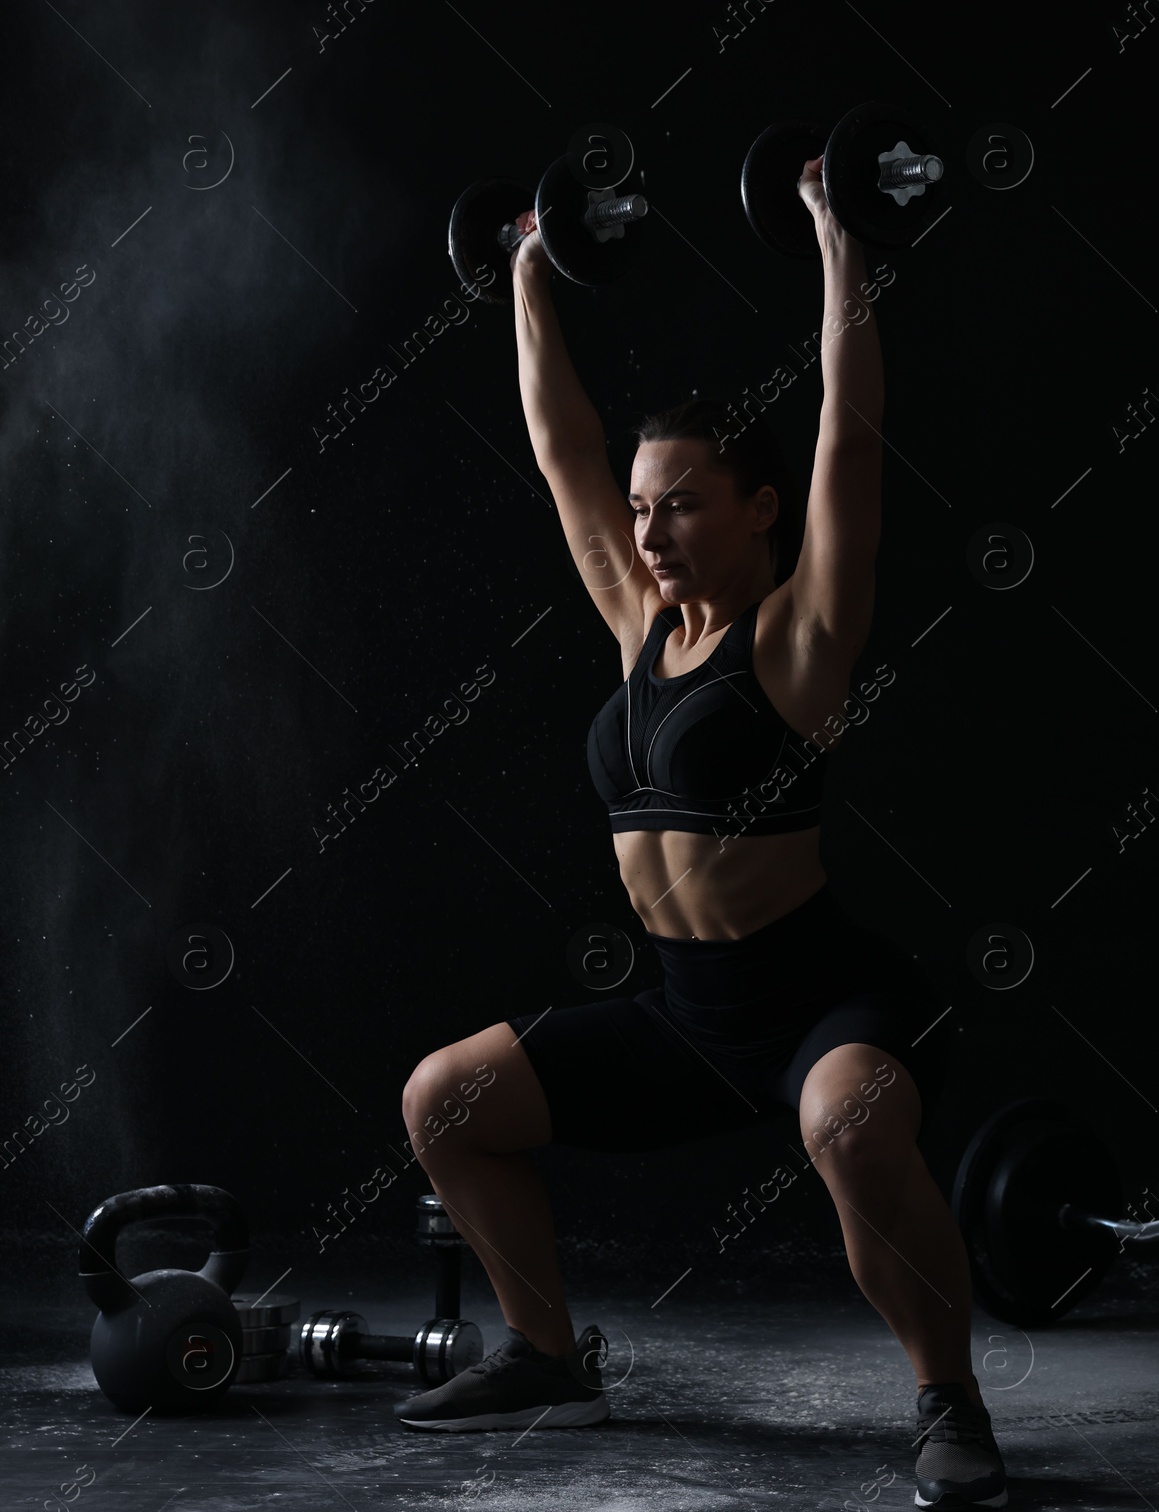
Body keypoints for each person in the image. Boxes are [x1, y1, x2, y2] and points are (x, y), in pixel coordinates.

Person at [393, 156, 1008, 1509]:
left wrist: (841, 237)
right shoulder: (636, 627)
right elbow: (559, 444)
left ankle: (947, 1398)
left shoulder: (798, 641)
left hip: (822, 1003)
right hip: (685, 1015)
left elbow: (851, 428)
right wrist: (529, 270)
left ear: (757, 510)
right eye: (644, 503)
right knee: (446, 1099)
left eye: (682, 501)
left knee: (847, 1130)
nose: (651, 527)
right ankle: (548, 1361)